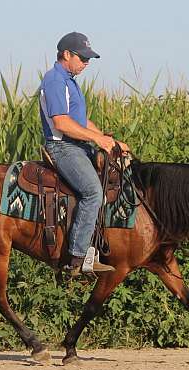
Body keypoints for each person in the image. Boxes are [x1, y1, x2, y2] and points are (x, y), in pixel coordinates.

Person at [39, 31, 130, 275]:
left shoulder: (69, 81)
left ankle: (102, 245)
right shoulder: (55, 80)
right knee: (92, 192)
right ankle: (76, 258)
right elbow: (62, 123)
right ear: (66, 54)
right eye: (82, 57)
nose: (86, 62)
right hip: (63, 147)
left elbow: (80, 121)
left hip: (78, 145)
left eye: (88, 58)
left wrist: (108, 141)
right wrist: (97, 140)